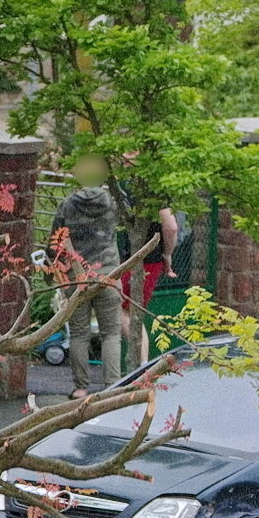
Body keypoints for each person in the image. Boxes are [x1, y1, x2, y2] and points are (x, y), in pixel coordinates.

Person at [51, 154, 122, 399]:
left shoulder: (67, 205)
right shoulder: (113, 202)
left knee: (79, 333)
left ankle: (81, 388)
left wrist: (54, 277)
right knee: (111, 333)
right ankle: (112, 386)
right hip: (108, 274)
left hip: (77, 277)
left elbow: (55, 243)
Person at [120, 208, 178, 364]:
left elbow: (171, 227)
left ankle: (142, 364)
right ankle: (143, 364)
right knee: (131, 311)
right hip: (139, 258)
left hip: (144, 260)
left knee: (123, 308)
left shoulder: (155, 196)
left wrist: (167, 254)